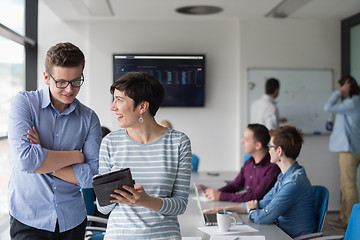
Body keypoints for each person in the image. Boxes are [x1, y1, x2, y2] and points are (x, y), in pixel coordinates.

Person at [7, 42, 102, 239]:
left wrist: (42, 158)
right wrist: (75, 156)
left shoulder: (89, 118)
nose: (69, 89)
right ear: (46, 77)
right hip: (29, 219)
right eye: (61, 82)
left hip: (72, 220)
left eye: (76, 81)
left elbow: (92, 175)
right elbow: (25, 161)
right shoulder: (24, 104)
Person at [96, 72, 192, 239]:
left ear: (142, 107)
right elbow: (102, 208)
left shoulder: (179, 142)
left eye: (119, 100)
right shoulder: (110, 142)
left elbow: (180, 205)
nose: (113, 107)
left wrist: (145, 201)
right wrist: (107, 193)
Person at [204, 126, 316, 239]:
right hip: (280, 232)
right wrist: (224, 210)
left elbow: (264, 217)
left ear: (279, 151)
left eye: (270, 147)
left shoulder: (293, 183)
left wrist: (252, 210)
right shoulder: (284, 176)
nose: (268, 150)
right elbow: (262, 203)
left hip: (291, 237)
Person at [198, 124, 280, 202]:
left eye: (246, 139)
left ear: (258, 145)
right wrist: (214, 193)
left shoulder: (273, 167)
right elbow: (235, 185)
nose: (242, 141)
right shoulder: (249, 162)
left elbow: (255, 196)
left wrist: (220, 196)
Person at [323, 75, 360, 230]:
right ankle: (345, 218)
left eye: (342, 86)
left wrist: (338, 93)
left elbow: (327, 107)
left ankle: (351, 221)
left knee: (348, 185)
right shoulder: (353, 103)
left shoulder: (352, 102)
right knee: (345, 184)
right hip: (352, 148)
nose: (341, 89)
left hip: (349, 149)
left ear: (348, 85)